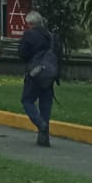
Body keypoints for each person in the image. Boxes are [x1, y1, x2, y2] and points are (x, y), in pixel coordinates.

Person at [18, 11, 58, 147]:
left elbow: (22, 53)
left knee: (27, 100)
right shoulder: (50, 36)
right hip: (48, 75)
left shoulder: (29, 35)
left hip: (34, 73)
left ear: (30, 24)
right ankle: (44, 138)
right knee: (45, 105)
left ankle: (40, 123)